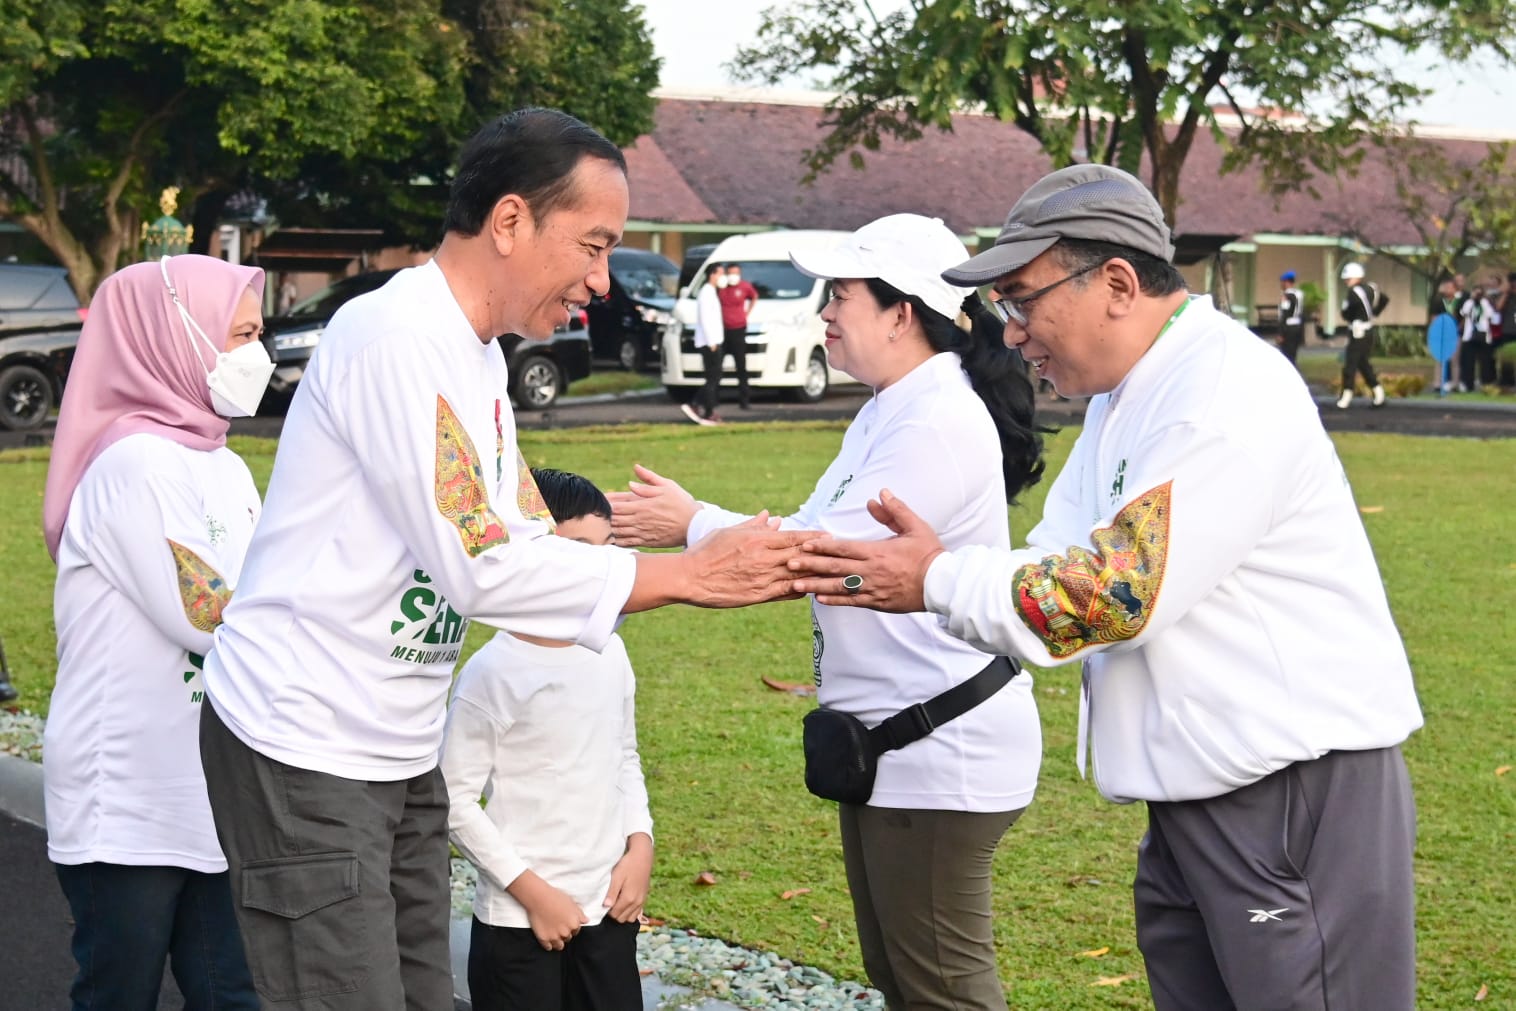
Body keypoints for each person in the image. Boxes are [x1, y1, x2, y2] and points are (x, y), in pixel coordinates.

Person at [196, 108, 813, 1011]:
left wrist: (706, 537)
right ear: (512, 220)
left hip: (394, 745)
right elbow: (482, 566)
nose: (603, 281)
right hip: (307, 743)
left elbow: (523, 531)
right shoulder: (401, 340)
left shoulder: (476, 354)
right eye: (594, 245)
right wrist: (689, 575)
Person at [789, 164, 1424, 1011]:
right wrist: (941, 578)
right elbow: (1049, 558)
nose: (1009, 333)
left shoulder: (1218, 395)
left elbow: (1111, 595)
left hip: (1287, 796)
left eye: (1021, 299)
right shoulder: (1126, 400)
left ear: (1117, 283)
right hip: (1197, 798)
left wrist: (935, 575)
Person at [612, 214, 1047, 1010]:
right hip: (897, 746)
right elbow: (811, 534)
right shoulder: (891, 407)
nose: (825, 313)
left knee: (942, 990)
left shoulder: (936, 421)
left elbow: (824, 561)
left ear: (901, 311)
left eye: (841, 294)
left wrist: (692, 523)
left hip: (937, 754)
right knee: (906, 978)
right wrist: (697, 527)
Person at [41, 254, 274, 1010]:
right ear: (177, 336)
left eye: (257, 334)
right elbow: (208, 615)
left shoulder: (228, 468)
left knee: (231, 993)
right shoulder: (131, 466)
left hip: (210, 792)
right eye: (239, 334)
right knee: (118, 994)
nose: (255, 355)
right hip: (131, 800)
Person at [442, 468, 651, 1011]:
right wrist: (534, 894)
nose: (603, 569)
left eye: (610, 550)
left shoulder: (611, 651)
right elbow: (454, 801)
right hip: (519, 925)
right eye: (582, 551)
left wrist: (640, 842)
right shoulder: (492, 673)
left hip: (607, 911)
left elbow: (622, 755)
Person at [1336, 261, 1386, 408]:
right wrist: (1374, 313)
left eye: (1348, 278)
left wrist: (1348, 316)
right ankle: (1379, 393)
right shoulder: (1371, 288)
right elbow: (1384, 299)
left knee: (1350, 365)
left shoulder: (1354, 293)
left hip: (1358, 331)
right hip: (1368, 330)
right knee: (1363, 364)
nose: (1346, 281)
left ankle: (1346, 395)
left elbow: (1347, 312)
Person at [683, 263, 726, 425]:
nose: (723, 277)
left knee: (714, 377)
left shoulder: (712, 292)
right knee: (713, 377)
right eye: (720, 273)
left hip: (714, 340)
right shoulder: (706, 293)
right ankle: (700, 406)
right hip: (710, 342)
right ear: (712, 275)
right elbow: (706, 318)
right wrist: (711, 341)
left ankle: (706, 409)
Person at [720, 262, 759, 407]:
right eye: (730, 273)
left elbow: (754, 296)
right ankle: (714, 398)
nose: (733, 276)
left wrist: (747, 313)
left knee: (741, 365)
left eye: (735, 273)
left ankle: (744, 399)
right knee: (718, 365)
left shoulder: (744, 286)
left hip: (738, 329)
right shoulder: (721, 288)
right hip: (723, 330)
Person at [1457, 283, 1496, 391]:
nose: (1478, 294)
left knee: (1485, 362)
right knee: (1468, 362)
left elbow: (1491, 315)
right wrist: (1473, 300)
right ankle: (1468, 384)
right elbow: (1464, 313)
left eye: (1480, 292)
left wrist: (1482, 301)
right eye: (1476, 292)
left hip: (1483, 335)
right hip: (1469, 336)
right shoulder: (1468, 303)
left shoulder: (1485, 303)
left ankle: (1486, 384)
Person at [1276, 270, 1305, 365]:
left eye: (1282, 282)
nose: (1281, 284)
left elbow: (1285, 314)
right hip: (1298, 326)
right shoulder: (1299, 294)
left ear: (1286, 282)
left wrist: (1281, 333)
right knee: (1293, 354)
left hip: (1288, 328)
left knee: (1287, 355)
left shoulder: (1287, 295)